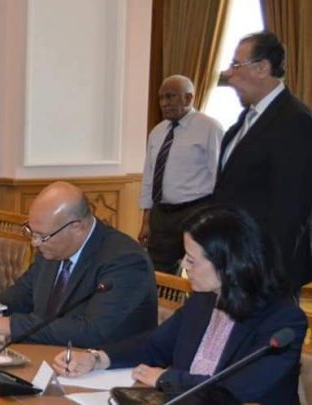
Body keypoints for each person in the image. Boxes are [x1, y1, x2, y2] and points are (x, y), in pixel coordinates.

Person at [53, 206, 306, 405]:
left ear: (228, 265)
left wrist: (166, 378)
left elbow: (235, 390)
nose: (183, 265)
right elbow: (154, 345)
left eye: (192, 260)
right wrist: (98, 358)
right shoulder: (204, 300)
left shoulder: (283, 321)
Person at [0, 182, 156, 347]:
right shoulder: (51, 248)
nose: (34, 243)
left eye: (42, 236)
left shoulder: (126, 261)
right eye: (31, 232)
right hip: (52, 354)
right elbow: (23, 293)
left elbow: (91, 331)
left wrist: (10, 326)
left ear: (76, 227)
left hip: (103, 362)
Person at [215, 31, 312, 291]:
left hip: (263, 271)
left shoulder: (295, 121)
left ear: (262, 68)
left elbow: (291, 211)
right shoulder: (245, 120)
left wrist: (265, 274)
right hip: (233, 260)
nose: (228, 74)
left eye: (236, 65)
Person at [139, 75, 223, 274]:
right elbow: (149, 176)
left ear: (188, 98)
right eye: (161, 98)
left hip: (195, 211)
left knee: (201, 270)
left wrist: (216, 218)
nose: (164, 103)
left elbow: (218, 176)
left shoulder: (209, 128)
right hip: (161, 214)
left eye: (170, 97)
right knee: (158, 272)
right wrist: (146, 220)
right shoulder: (157, 132)